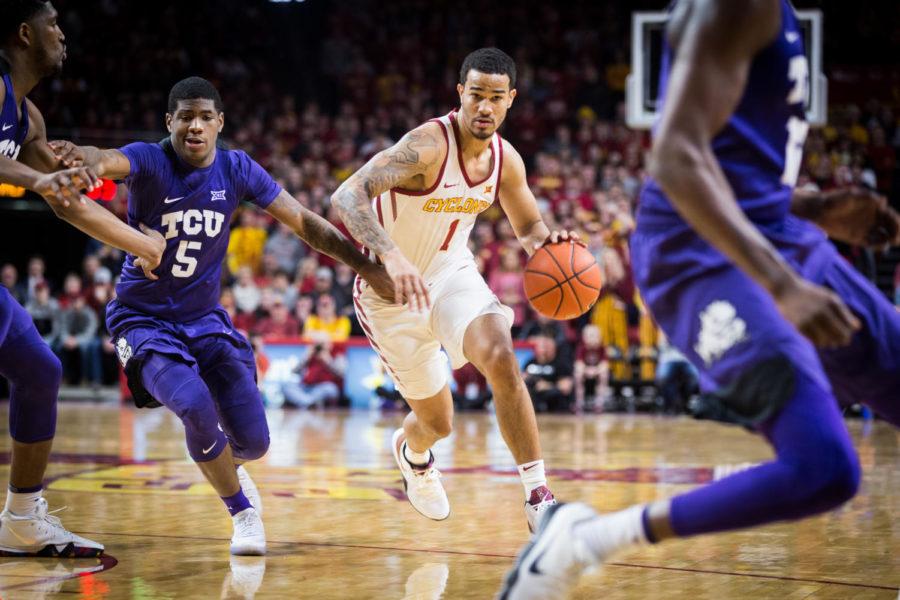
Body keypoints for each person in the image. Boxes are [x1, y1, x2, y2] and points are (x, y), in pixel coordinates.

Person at [500, 1, 900, 597]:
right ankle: (582, 541)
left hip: (776, 234)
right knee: (826, 470)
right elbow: (676, 160)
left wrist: (814, 209)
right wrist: (786, 286)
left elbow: (731, 164)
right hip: (697, 252)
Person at [59, 76, 394, 555]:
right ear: (168, 122)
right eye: (185, 117)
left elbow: (303, 222)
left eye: (204, 117)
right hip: (142, 319)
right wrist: (86, 156)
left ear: (220, 123)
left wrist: (364, 264)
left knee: (255, 443)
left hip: (205, 320)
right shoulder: (151, 159)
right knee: (194, 406)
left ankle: (227, 467)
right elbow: (109, 159)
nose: (195, 126)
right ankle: (242, 513)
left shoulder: (238, 169)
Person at [333, 47, 575, 531]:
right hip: (390, 296)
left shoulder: (507, 161)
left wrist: (550, 246)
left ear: (511, 100)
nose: (485, 107)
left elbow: (529, 228)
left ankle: (538, 496)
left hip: (450, 276)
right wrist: (391, 253)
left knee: (502, 356)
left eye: (496, 98)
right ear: (460, 93)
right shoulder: (428, 145)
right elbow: (346, 195)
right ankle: (413, 453)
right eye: (477, 95)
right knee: (437, 423)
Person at [0, 0, 166, 557]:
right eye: (53, 25)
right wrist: (34, 178)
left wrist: (141, 243)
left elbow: (69, 198)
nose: (63, 34)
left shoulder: (28, 118)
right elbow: (39, 182)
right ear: (25, 33)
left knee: (39, 369)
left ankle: (21, 517)